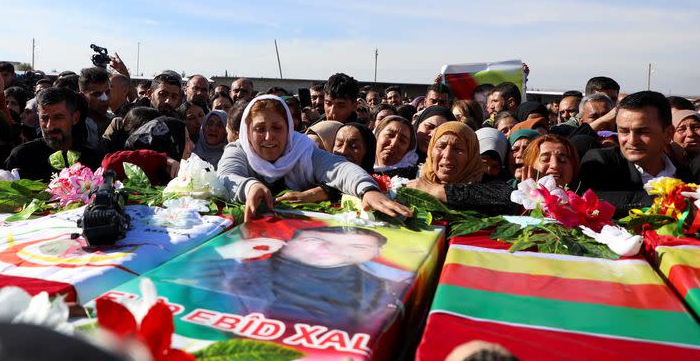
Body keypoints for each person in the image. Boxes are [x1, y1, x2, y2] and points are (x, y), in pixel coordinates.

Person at [217, 95, 411, 221]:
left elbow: (340, 169)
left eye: (277, 128)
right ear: (247, 131)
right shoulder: (238, 151)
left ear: (289, 130)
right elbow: (226, 177)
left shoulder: (302, 151)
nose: (268, 137)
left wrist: (367, 190)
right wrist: (250, 186)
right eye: (259, 129)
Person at [177, 225, 405, 329]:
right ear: (289, 241)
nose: (331, 249)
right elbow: (181, 285)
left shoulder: (380, 292)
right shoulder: (244, 270)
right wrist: (228, 252)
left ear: (373, 254)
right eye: (316, 240)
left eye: (357, 246)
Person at [579, 91, 693, 214]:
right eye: (624, 131)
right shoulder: (602, 162)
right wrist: (659, 200)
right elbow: (589, 198)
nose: (632, 140)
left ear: (668, 133)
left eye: (643, 132)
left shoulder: (687, 175)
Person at [407, 121, 517, 215]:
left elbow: (509, 198)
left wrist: (435, 190)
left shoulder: (484, 182)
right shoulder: (414, 175)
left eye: (457, 148)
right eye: (441, 146)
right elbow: (389, 182)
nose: (447, 155)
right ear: (431, 150)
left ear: (471, 155)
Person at [5, 87, 101, 181]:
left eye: (58, 117)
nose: (50, 126)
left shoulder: (91, 160)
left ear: (75, 118)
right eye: (44, 118)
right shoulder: (22, 157)